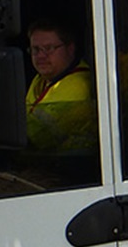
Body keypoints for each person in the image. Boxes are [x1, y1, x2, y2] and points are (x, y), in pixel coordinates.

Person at [25, 20, 96, 151]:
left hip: (70, 166)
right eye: (35, 49)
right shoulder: (40, 79)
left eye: (48, 48)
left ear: (70, 48)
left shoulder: (78, 86)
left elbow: (37, 137)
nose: (40, 56)